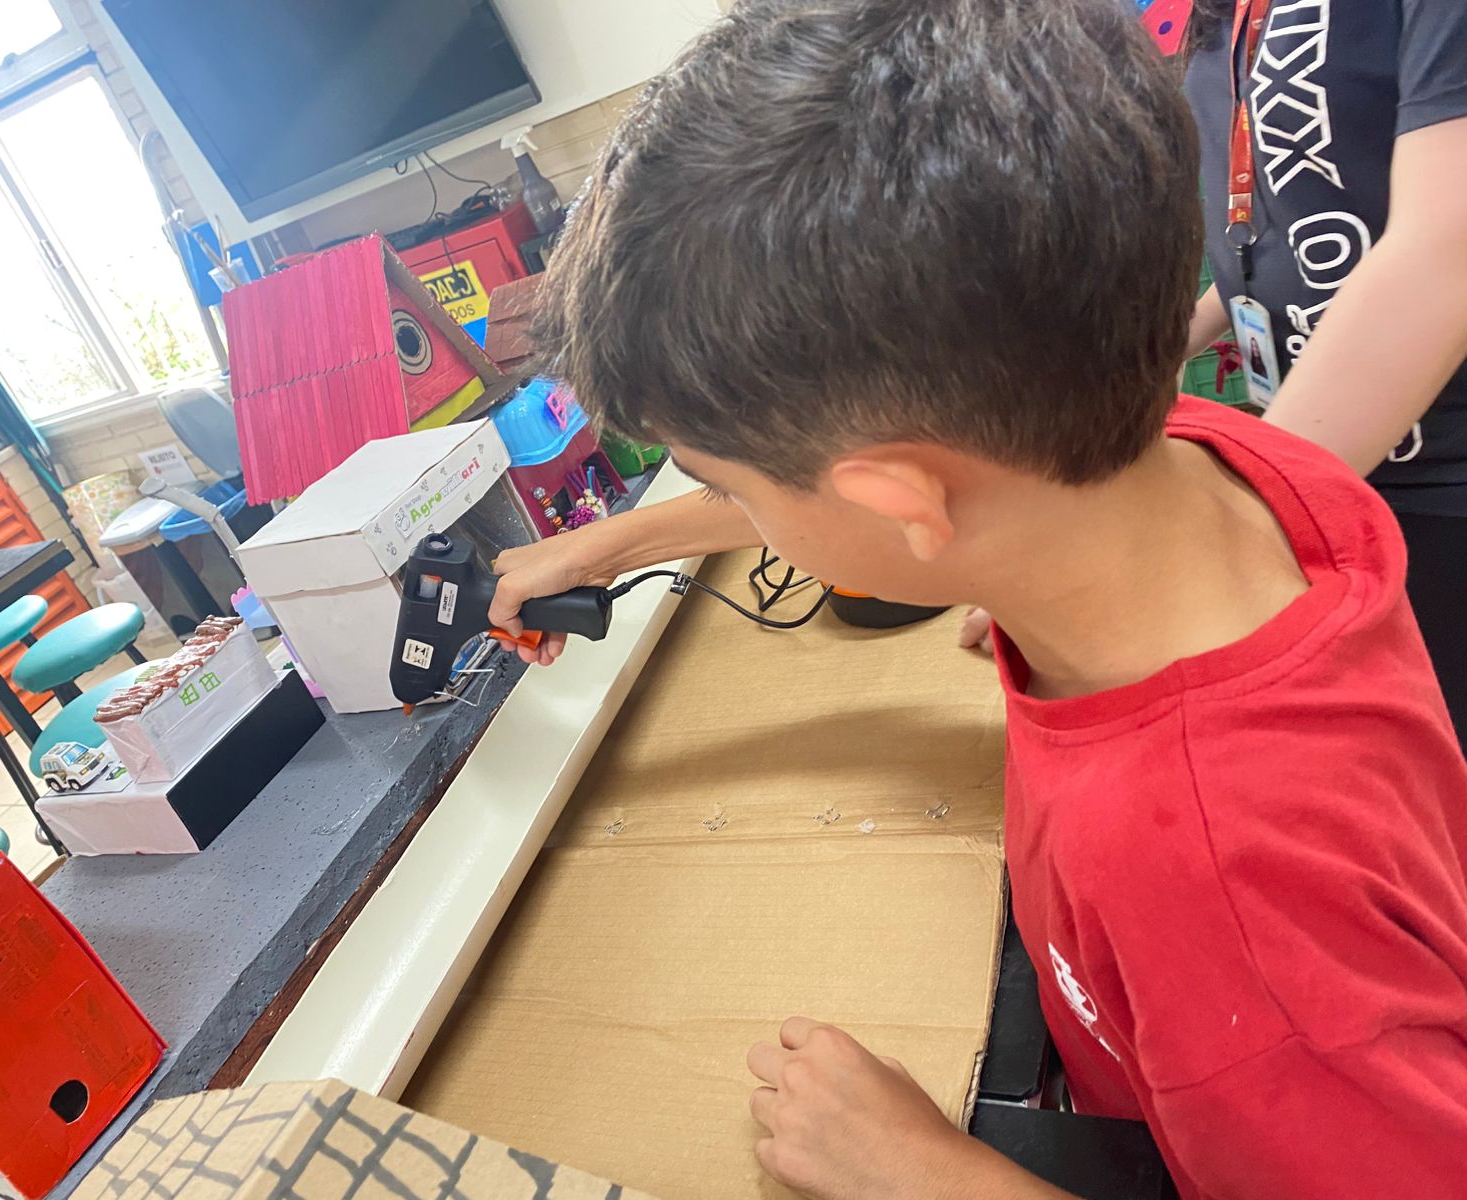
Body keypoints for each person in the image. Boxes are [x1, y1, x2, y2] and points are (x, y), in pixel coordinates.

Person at [490, 1, 1467, 1197]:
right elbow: (931, 473)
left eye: (731, 484)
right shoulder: (1209, 460)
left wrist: (920, 1170)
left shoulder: (1218, 895)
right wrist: (623, 539)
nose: (739, 506)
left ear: (903, 502)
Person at [1184, 0, 1467, 737]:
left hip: (1439, 481)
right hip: (1325, 477)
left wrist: (1229, 522)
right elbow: (1291, 218)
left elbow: (1448, 248)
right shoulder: (1225, 15)